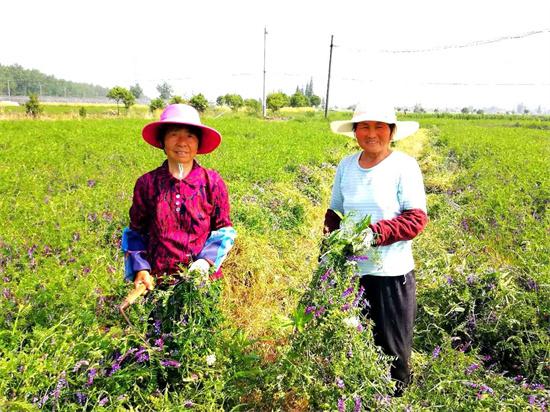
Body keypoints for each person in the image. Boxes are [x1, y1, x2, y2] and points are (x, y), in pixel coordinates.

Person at [325, 96, 428, 395]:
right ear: (354, 132)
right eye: (364, 127)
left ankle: (396, 398)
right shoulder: (346, 166)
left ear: (392, 131)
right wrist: (328, 251)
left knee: (392, 348)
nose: (371, 134)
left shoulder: (404, 166)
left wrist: (373, 233)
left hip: (391, 274)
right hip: (350, 272)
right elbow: (335, 214)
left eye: (379, 127)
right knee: (352, 339)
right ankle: (359, 394)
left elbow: (415, 220)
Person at [122, 104, 236, 290]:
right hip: (157, 284)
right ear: (162, 141)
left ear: (198, 143)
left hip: (200, 284)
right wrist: (141, 269)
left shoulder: (212, 182)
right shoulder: (147, 183)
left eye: (190, 135)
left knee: (200, 317)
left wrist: (204, 263)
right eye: (174, 134)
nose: (182, 142)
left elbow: (224, 230)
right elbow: (136, 232)